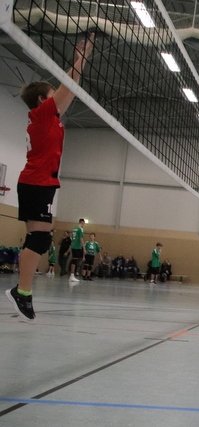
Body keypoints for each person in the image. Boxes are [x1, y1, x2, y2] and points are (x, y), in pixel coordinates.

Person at [5, 34, 94, 320]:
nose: (57, 95)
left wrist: (79, 61)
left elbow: (68, 90)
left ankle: (23, 291)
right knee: (41, 240)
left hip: (38, 182)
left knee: (39, 238)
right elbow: (69, 86)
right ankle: (22, 291)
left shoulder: (47, 118)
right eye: (52, 93)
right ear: (43, 100)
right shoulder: (43, 114)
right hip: (37, 182)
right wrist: (80, 60)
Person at [68, 218, 85, 284]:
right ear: (81, 223)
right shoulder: (80, 229)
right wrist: (84, 248)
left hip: (73, 246)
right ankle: (72, 275)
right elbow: (81, 239)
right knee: (74, 260)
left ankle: (72, 275)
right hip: (77, 247)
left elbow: (72, 238)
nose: (83, 224)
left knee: (74, 260)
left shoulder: (74, 229)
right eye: (83, 223)